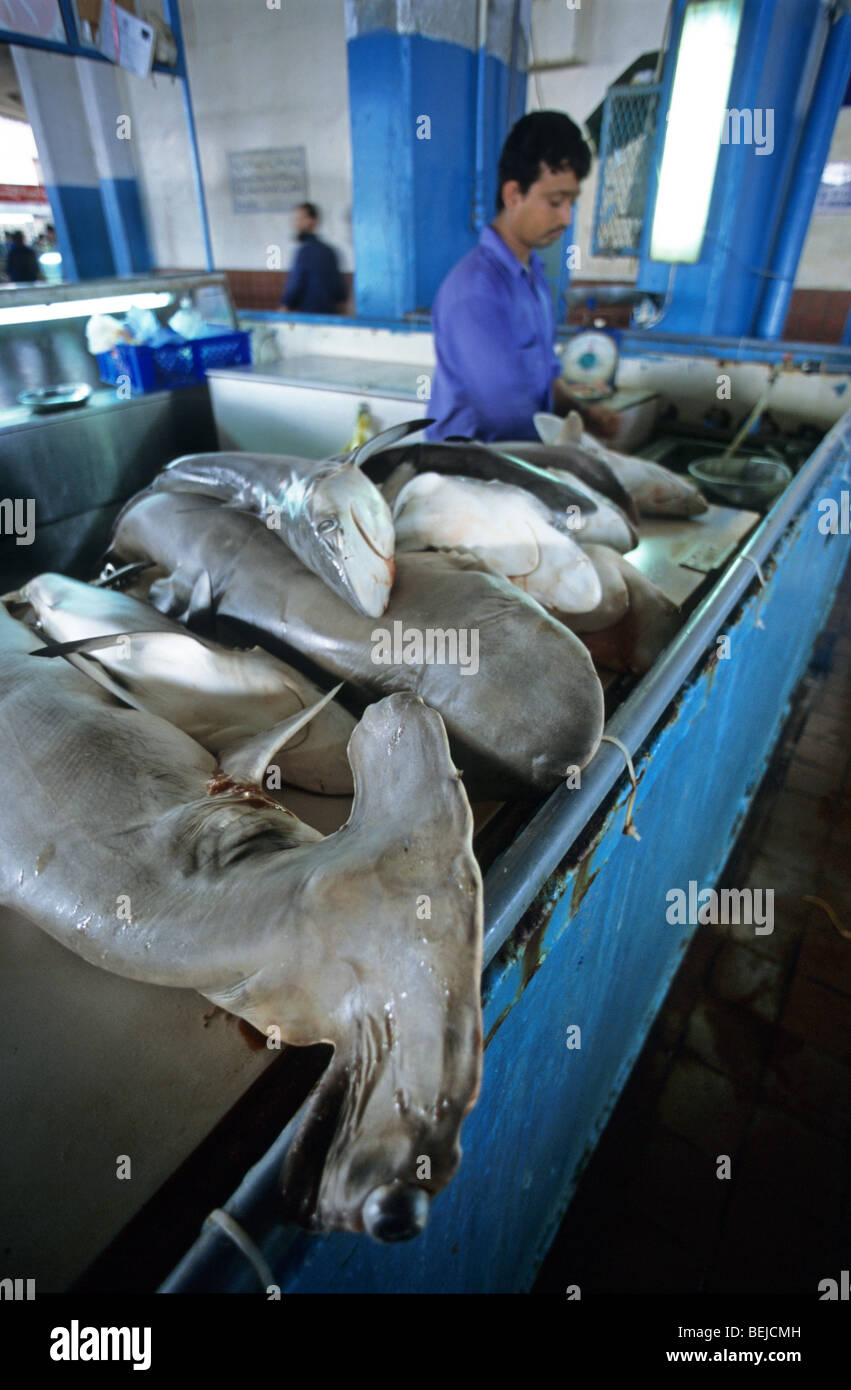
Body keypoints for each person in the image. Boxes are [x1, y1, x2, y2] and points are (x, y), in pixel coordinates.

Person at [426, 111, 619, 442]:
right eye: (555, 201)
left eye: (571, 202)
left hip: (520, 460)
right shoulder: (477, 290)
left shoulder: (533, 278)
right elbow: (505, 417)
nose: (566, 217)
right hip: (469, 475)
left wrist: (583, 416)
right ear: (513, 194)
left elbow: (545, 381)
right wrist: (579, 449)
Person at [281, 203, 346, 314]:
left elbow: (295, 286)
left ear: (313, 220)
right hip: (330, 316)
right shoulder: (330, 252)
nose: (296, 223)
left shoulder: (304, 252)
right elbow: (339, 291)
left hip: (309, 317)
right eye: (296, 219)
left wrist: (284, 307)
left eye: (301, 218)